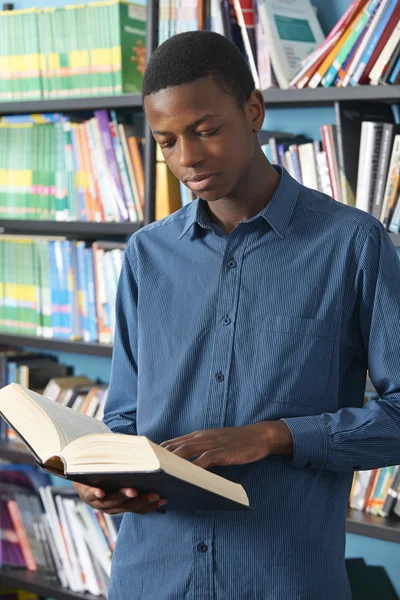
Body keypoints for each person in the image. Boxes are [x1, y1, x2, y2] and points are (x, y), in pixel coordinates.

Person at [73, 30, 400, 599]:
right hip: (152, 578)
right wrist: (103, 479)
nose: (188, 158)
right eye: (167, 141)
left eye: (206, 130)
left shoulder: (354, 245)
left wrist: (272, 437)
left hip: (281, 579)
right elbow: (125, 417)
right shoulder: (147, 255)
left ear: (253, 110)